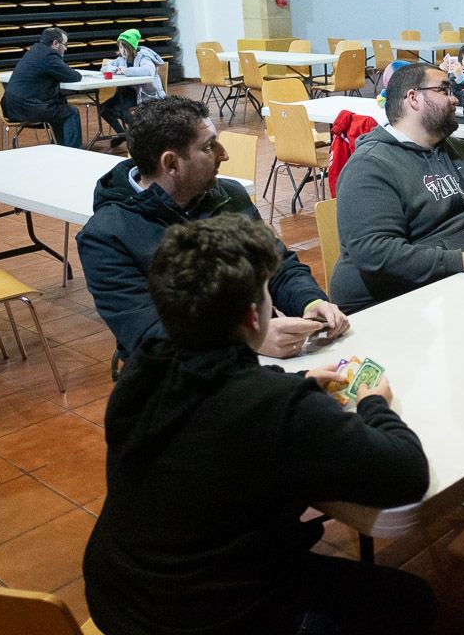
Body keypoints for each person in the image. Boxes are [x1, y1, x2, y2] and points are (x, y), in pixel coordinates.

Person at [83, 216, 435, 635]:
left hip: (120, 598)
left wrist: (296, 383)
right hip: (214, 619)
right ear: (254, 317)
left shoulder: (144, 366)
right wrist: (374, 404)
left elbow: (213, 401)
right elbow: (406, 474)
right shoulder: (277, 409)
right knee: (411, 600)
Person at [77, 95, 349, 360]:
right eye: (209, 147)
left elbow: (277, 266)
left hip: (251, 364)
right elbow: (148, 336)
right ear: (171, 163)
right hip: (175, 383)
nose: (225, 155)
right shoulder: (106, 236)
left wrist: (311, 302)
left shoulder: (229, 195)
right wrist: (247, 338)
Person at [331, 62, 464, 313]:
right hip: (394, 302)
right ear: (413, 98)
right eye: (444, 90)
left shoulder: (461, 150)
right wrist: (460, 260)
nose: (455, 98)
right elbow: (375, 252)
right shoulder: (370, 166)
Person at [1, 27, 83, 148]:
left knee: (59, 108)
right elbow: (74, 76)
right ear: (55, 43)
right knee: (71, 112)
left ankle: (61, 148)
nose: (66, 48)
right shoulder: (49, 56)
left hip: (10, 107)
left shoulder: (35, 50)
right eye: (65, 45)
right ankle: (74, 153)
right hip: (26, 109)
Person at [100, 28, 165, 147]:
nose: (122, 51)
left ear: (131, 47)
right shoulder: (121, 59)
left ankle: (141, 134)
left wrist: (125, 70)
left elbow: (148, 70)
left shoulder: (144, 56)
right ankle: (123, 134)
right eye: (120, 47)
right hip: (127, 92)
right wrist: (115, 69)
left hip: (144, 93)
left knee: (121, 109)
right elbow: (105, 67)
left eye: (124, 47)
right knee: (104, 108)